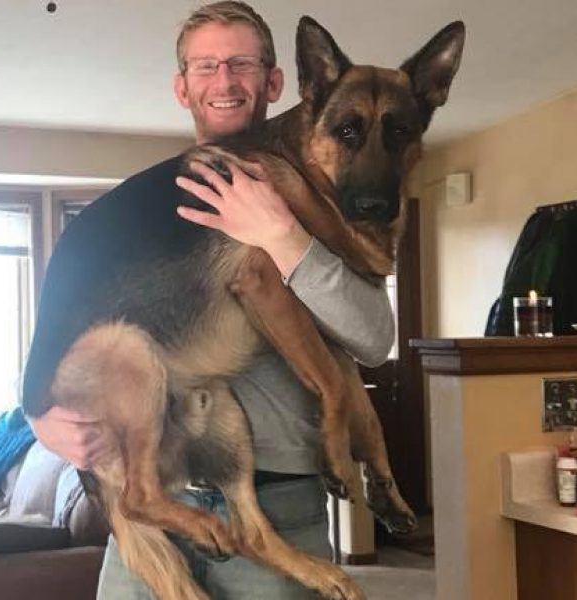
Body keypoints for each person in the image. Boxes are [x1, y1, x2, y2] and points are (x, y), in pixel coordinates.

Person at [27, 2, 394, 598]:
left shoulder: (322, 200)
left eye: (241, 64)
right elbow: (61, 330)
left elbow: (376, 339)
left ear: (274, 81)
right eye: (205, 66)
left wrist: (283, 236)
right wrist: (39, 419)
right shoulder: (134, 213)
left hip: (277, 504)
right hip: (154, 507)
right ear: (182, 87)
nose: (224, 81)